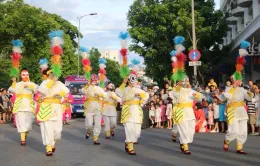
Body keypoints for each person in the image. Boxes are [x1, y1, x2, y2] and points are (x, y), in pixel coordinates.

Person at [36, 68, 69, 156]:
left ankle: (52, 142)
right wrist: (51, 82)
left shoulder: (59, 84)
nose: (54, 75)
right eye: (52, 74)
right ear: (48, 75)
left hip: (57, 108)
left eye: (55, 74)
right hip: (46, 107)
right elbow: (42, 90)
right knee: (47, 128)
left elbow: (66, 91)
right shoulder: (45, 83)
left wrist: (60, 95)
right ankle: (49, 147)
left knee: (58, 130)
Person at [116, 74, 149, 155]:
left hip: (137, 111)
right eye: (132, 80)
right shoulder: (124, 89)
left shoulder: (138, 90)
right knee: (129, 129)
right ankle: (130, 147)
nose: (134, 82)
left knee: (137, 133)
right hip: (127, 111)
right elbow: (118, 92)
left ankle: (127, 142)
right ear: (129, 81)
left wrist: (141, 98)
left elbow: (146, 95)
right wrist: (123, 83)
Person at [171, 76, 202, 155]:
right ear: (180, 82)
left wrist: (197, 96)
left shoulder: (190, 91)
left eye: (186, 81)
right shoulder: (176, 90)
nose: (185, 83)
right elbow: (174, 94)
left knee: (191, 131)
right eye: (183, 81)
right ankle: (185, 146)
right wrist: (179, 87)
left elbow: (200, 98)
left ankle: (183, 142)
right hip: (181, 112)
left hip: (190, 113)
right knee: (183, 130)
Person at [9, 68, 38, 146]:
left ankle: (24, 135)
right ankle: (22, 140)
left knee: (28, 125)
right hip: (20, 106)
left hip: (29, 106)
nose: (25, 76)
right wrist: (14, 82)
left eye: (27, 74)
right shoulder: (18, 84)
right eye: (23, 74)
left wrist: (30, 85)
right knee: (21, 122)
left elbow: (37, 91)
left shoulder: (32, 84)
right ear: (20, 76)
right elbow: (11, 90)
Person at [83, 74, 106, 145]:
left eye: (95, 80)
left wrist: (99, 95)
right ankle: (89, 131)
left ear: (97, 81)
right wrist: (87, 85)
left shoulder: (99, 88)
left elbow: (105, 95)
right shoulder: (87, 87)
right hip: (89, 107)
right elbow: (82, 91)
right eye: (92, 80)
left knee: (98, 124)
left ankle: (96, 138)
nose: (94, 81)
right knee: (89, 124)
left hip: (98, 107)